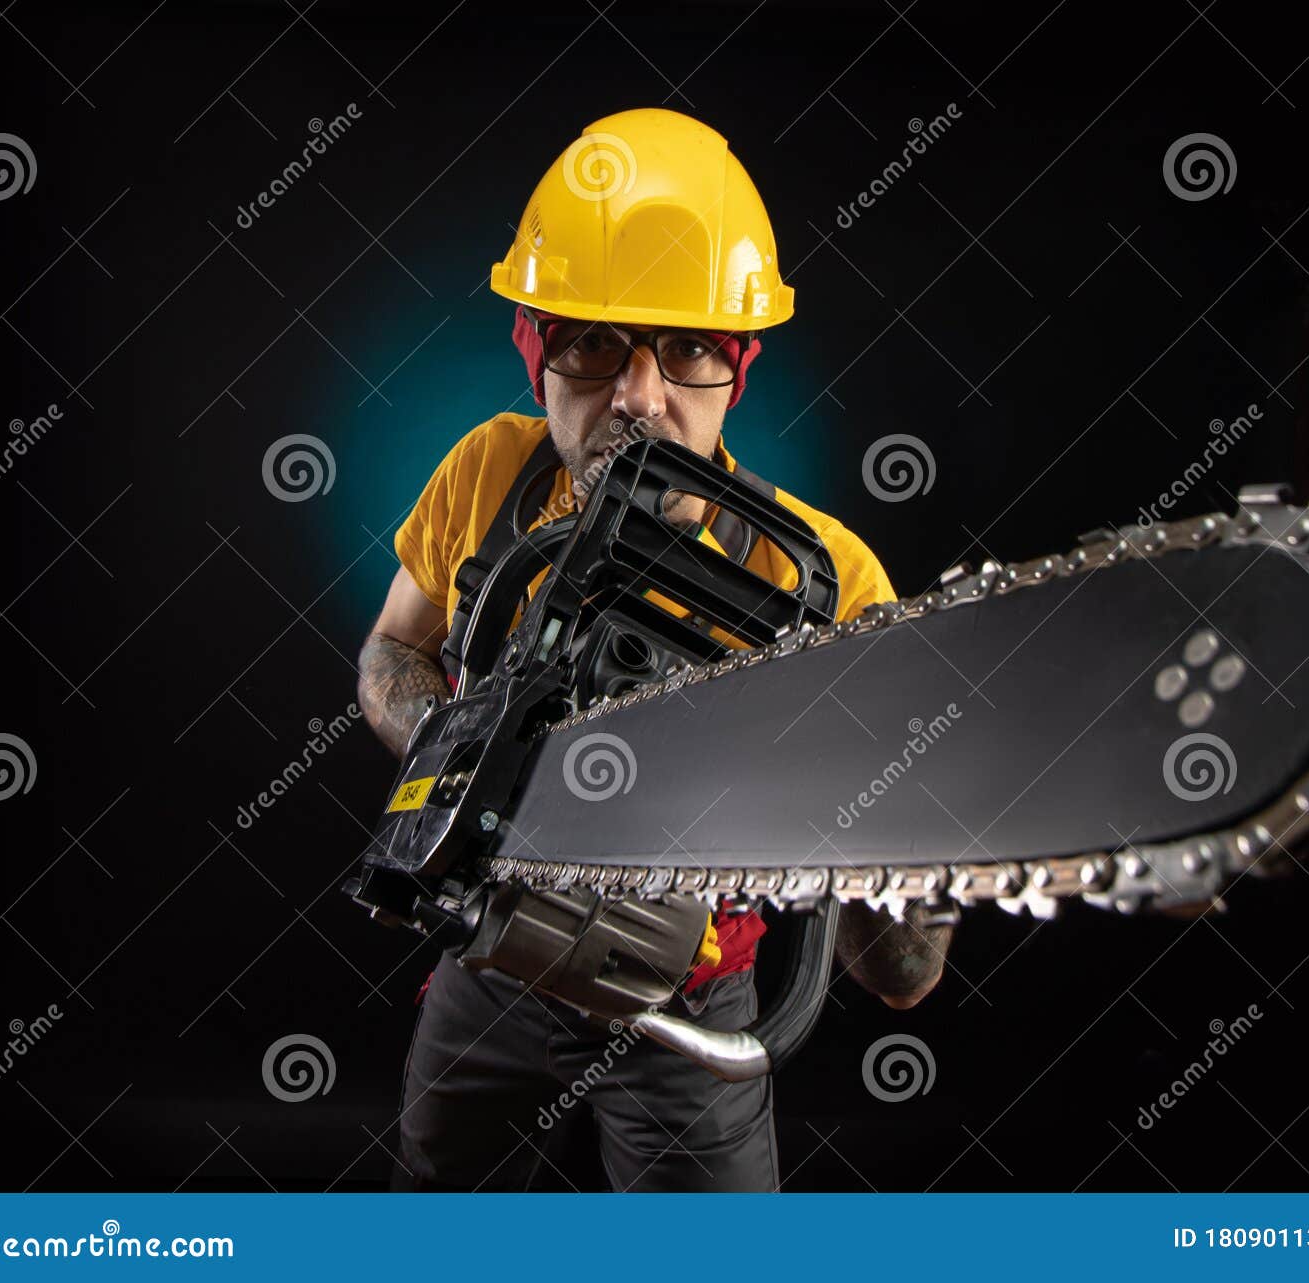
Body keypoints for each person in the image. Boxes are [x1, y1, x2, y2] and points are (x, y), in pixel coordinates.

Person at [356, 108, 953, 1192]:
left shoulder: (828, 580)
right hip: (491, 948)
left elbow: (902, 970)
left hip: (684, 997)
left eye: (686, 349)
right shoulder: (488, 475)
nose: (639, 396)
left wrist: (873, 808)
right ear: (533, 351)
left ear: (738, 365)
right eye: (592, 344)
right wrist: (468, 752)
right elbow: (393, 647)